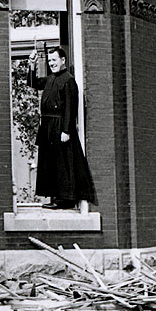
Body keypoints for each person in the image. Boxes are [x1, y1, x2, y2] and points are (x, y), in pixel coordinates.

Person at [27, 47, 97, 210]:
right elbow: (33, 83)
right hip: (48, 127)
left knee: (62, 164)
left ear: (63, 60)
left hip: (60, 128)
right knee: (51, 162)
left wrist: (66, 130)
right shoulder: (51, 78)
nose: (52, 63)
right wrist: (32, 64)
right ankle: (56, 197)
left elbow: (70, 108)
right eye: (50, 61)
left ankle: (65, 199)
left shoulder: (68, 80)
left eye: (54, 60)